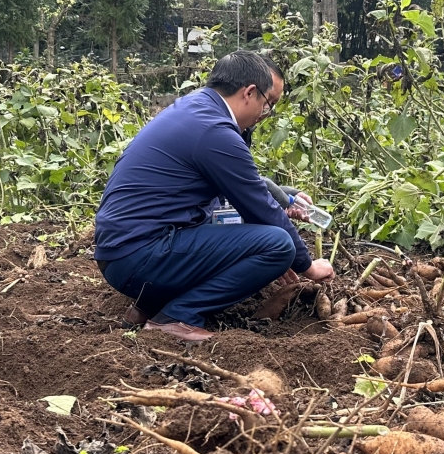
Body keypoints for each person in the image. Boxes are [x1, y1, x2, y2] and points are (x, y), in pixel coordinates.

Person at [93, 51, 335, 342]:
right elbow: (258, 206)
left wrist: (286, 196)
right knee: (278, 245)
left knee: (229, 225)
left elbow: (244, 185)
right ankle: (177, 316)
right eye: (268, 105)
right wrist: (307, 266)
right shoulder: (214, 130)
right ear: (249, 92)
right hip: (139, 258)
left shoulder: (195, 109)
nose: (263, 115)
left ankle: (150, 305)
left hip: (123, 253)